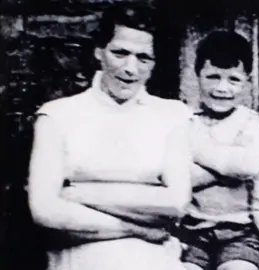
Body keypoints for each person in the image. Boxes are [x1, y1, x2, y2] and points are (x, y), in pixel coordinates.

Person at [27, 5, 191, 270]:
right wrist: (137, 228)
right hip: (80, 257)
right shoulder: (56, 116)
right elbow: (44, 209)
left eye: (143, 58)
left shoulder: (173, 116)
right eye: (120, 53)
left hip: (153, 258)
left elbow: (175, 203)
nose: (130, 68)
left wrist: (74, 194)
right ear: (99, 51)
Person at [178, 30, 259, 270]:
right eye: (213, 76)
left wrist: (199, 151)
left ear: (247, 82)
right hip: (192, 232)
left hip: (240, 232)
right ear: (197, 74)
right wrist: (229, 168)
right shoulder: (186, 120)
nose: (222, 88)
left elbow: (249, 165)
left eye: (233, 79)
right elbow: (178, 175)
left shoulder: (250, 121)